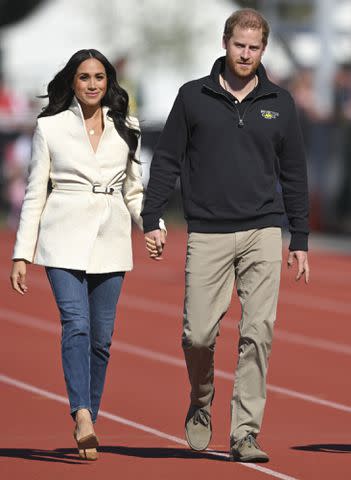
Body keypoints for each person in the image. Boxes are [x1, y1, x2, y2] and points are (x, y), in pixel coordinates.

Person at [142, 9, 309, 463]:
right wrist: (151, 216)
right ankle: (201, 400)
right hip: (208, 232)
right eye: (240, 45)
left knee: (259, 332)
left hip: (263, 229)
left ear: (264, 50)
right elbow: (168, 161)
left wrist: (300, 240)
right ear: (225, 42)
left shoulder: (281, 101)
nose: (246, 54)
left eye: (255, 48)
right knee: (197, 335)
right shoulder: (192, 96)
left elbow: (294, 173)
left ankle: (245, 433)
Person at [10, 49, 165, 461]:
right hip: (62, 236)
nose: (93, 84)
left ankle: (89, 418)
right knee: (75, 323)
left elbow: (134, 189)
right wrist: (21, 254)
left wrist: (151, 225)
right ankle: (81, 414)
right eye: (84, 77)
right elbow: (33, 193)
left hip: (111, 238)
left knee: (102, 339)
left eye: (99, 76)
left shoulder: (127, 126)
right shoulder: (50, 127)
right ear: (72, 82)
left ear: (109, 81)